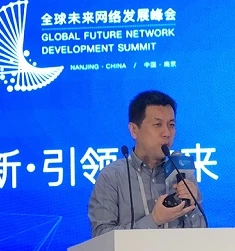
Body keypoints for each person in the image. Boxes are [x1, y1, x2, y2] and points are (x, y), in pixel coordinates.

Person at [88, 90, 206, 237]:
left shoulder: (180, 173)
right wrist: (154, 220)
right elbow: (101, 236)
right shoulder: (112, 177)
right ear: (134, 130)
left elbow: (201, 237)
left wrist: (192, 206)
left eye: (171, 124)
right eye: (157, 124)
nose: (167, 133)